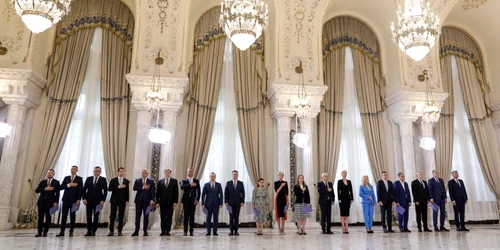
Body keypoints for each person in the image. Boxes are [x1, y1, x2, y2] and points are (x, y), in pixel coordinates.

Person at [57, 165, 83, 237]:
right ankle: (62, 231)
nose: (73, 170)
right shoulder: (66, 178)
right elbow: (61, 187)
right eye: (72, 169)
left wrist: (78, 199)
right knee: (64, 216)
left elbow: (80, 190)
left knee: (72, 216)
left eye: (74, 169)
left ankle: (71, 231)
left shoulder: (80, 179)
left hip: (74, 201)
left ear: (77, 170)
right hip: (65, 200)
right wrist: (68, 185)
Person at [83, 166, 108, 236]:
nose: (96, 172)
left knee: (96, 216)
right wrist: (84, 199)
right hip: (88, 200)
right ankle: (88, 230)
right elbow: (84, 189)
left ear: (100, 172)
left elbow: (105, 191)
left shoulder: (103, 179)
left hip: (98, 201)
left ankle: (94, 230)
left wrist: (103, 200)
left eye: (98, 171)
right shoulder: (89, 179)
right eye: (95, 171)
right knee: (88, 216)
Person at [35, 169, 60, 237]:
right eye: (49, 173)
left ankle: (45, 232)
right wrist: (45, 189)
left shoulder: (56, 182)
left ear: (53, 174)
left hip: (50, 203)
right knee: (40, 218)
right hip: (41, 202)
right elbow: (37, 190)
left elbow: (57, 193)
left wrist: (56, 202)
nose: (49, 174)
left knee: (48, 218)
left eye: (51, 173)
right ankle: (39, 232)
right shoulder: (43, 182)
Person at [132, 169, 155, 236]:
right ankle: (136, 231)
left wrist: (152, 200)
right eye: (142, 173)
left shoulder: (151, 181)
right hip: (138, 201)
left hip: (147, 202)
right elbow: (134, 188)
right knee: (137, 216)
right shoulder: (138, 180)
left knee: (146, 216)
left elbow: (153, 191)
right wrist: (143, 187)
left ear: (147, 174)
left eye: (145, 173)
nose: (143, 174)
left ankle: (145, 231)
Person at [107, 167, 130, 236]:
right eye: (120, 171)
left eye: (123, 171)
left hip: (122, 201)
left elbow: (127, 191)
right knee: (112, 215)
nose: (122, 172)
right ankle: (111, 231)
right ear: (118, 172)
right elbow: (109, 189)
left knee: (121, 215)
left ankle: (120, 231)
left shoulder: (126, 181)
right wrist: (118, 187)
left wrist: (127, 200)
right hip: (114, 200)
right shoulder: (113, 180)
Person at [156, 169, 179, 236]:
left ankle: (167, 231)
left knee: (169, 217)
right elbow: (157, 193)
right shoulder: (160, 182)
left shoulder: (174, 181)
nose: (167, 173)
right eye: (166, 172)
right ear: (164, 173)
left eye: (168, 172)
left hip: (170, 202)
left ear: (170, 173)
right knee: (162, 217)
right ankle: (163, 231)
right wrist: (157, 202)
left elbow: (176, 192)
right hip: (162, 203)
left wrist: (175, 202)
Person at [181, 167, 200, 236]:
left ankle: (191, 230)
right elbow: (182, 187)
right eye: (189, 171)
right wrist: (190, 185)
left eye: (191, 171)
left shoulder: (196, 181)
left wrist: (197, 199)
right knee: (186, 216)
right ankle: (185, 231)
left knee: (192, 216)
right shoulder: (184, 180)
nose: (190, 172)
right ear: (187, 172)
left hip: (193, 201)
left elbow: (199, 191)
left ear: (193, 172)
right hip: (186, 201)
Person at [225, 170, 245, 236]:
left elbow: (243, 193)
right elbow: (226, 193)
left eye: (236, 174)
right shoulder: (228, 183)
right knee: (231, 217)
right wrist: (226, 201)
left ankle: (236, 230)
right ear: (232, 175)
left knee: (236, 217)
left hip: (238, 203)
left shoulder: (240, 183)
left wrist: (242, 201)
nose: (235, 175)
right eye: (234, 174)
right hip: (230, 203)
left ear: (238, 175)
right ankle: (231, 230)